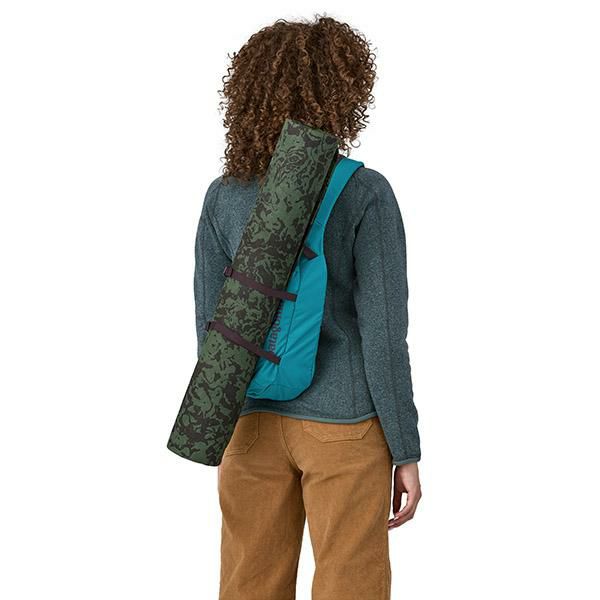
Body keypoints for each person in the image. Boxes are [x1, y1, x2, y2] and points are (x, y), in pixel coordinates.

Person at [194, 15, 422, 600]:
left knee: (249, 586)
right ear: (344, 94)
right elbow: (384, 335)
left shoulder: (224, 195)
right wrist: (406, 448)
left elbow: (209, 325)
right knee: (350, 585)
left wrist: (221, 427)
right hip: (344, 424)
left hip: (248, 421)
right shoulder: (364, 192)